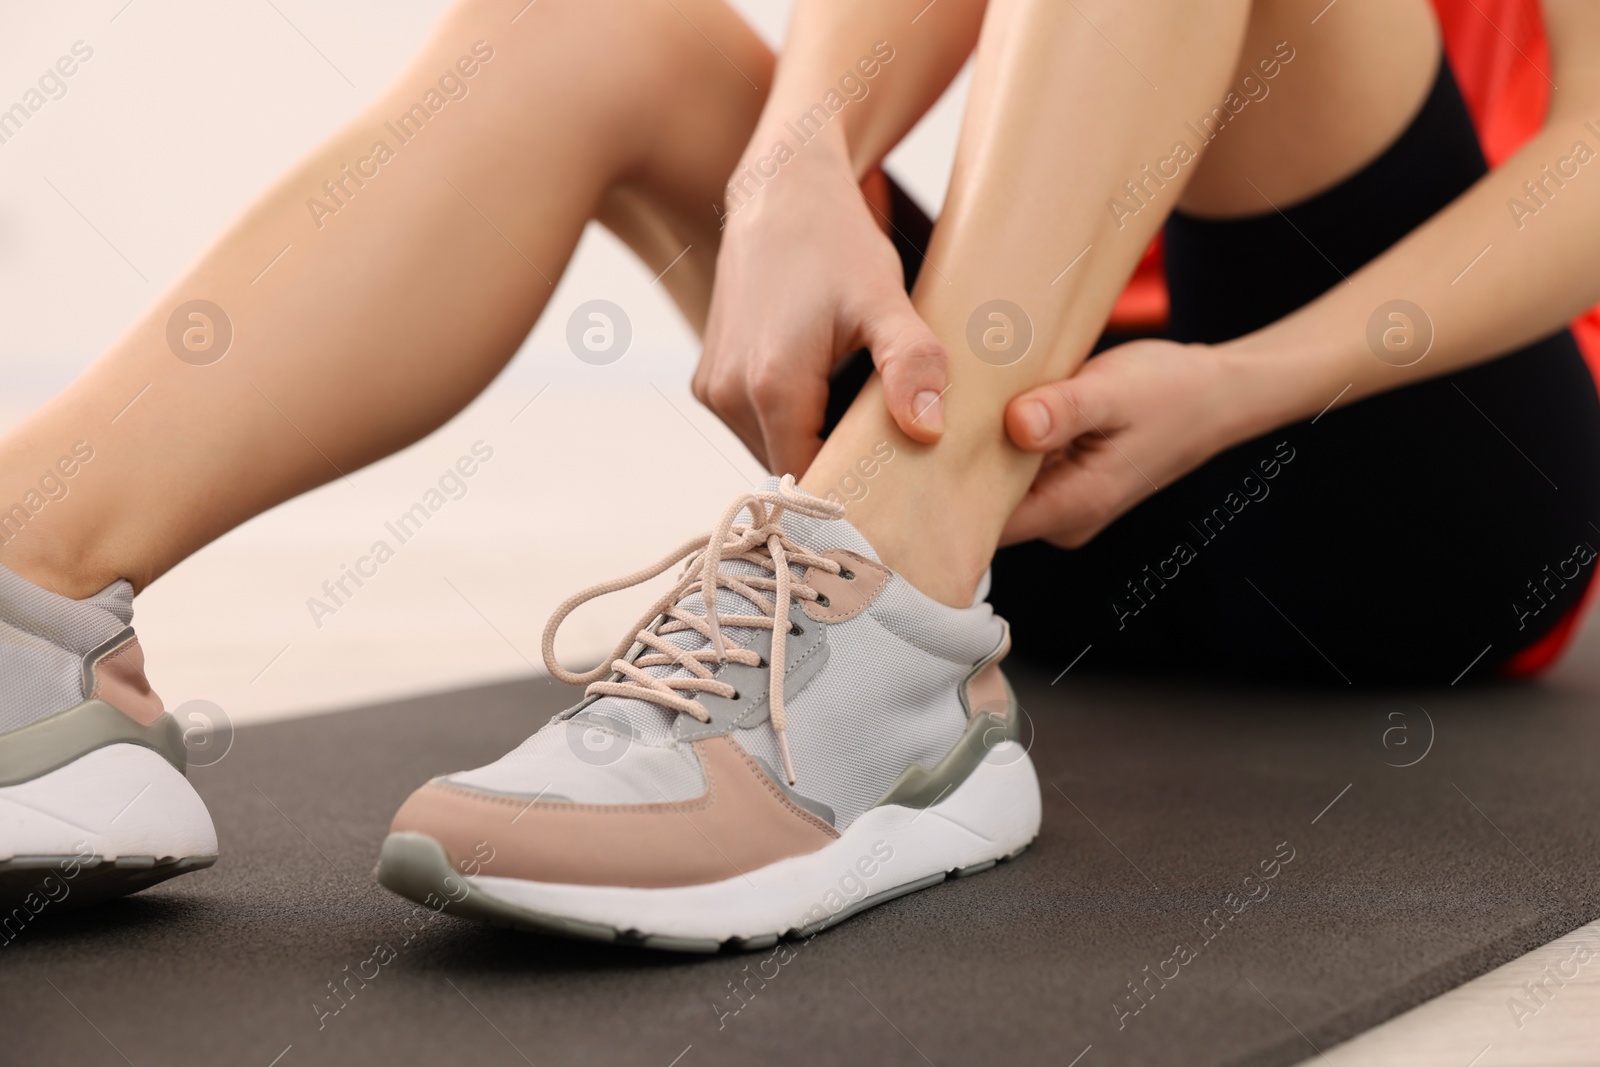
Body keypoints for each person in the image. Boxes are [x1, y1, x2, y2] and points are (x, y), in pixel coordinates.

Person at [3, 0, 1599, 943]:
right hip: (1019, 452)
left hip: (1401, 479)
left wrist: (1256, 382)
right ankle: (30, 584)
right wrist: (790, 165)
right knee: (586, 30)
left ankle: (879, 626)